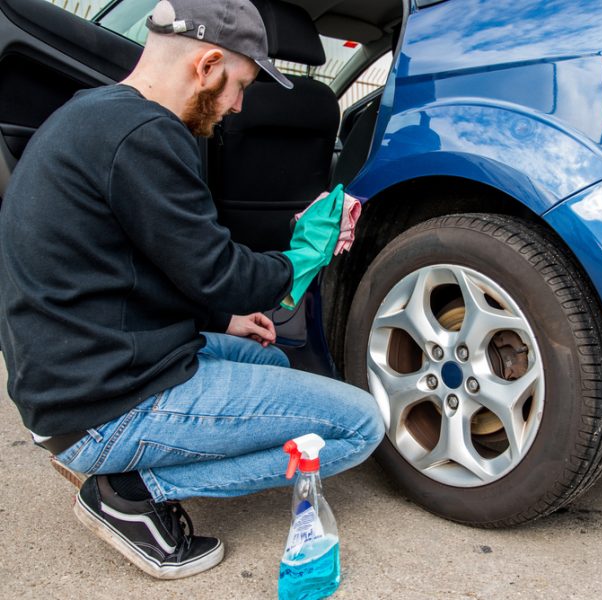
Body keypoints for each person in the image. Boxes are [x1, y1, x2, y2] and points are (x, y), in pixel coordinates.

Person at [0, 0, 383, 580]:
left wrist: (226, 322)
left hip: (76, 375)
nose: (237, 107)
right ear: (206, 65)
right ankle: (128, 490)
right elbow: (222, 275)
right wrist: (308, 252)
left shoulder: (96, 113)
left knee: (263, 350)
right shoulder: (147, 135)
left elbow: (146, 267)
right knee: (360, 425)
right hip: (102, 406)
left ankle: (129, 465)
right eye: (240, 86)